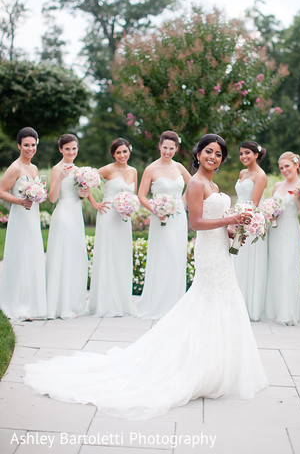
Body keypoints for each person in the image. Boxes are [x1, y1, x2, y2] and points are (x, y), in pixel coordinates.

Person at [24, 134, 267, 420]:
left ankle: (216, 366)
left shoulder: (213, 184)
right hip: (209, 255)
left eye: (218, 153)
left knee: (220, 302)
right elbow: (196, 223)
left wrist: (236, 229)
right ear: (198, 153)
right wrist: (231, 220)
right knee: (208, 300)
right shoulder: (196, 183)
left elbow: (216, 224)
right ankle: (200, 368)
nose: (213, 157)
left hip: (221, 251)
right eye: (208, 151)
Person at [135, 131, 191, 320]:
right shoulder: (151, 169)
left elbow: (194, 186)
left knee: (176, 258)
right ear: (160, 146)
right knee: (163, 257)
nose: (167, 151)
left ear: (176, 148)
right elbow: (141, 195)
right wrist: (155, 209)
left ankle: (175, 303)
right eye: (165, 148)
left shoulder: (180, 168)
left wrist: (182, 201)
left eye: (171, 148)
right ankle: (157, 303)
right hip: (160, 219)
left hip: (179, 218)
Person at [0, 127, 47, 322]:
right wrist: (20, 201)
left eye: (33, 145)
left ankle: (31, 304)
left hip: (32, 217)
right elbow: (2, 191)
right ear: (19, 145)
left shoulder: (34, 168)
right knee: (20, 258)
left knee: (32, 257)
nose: (30, 148)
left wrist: (39, 195)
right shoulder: (15, 167)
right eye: (26, 145)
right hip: (20, 217)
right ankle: (16, 305)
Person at [88, 138, 138, 317]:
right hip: (108, 216)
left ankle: (122, 303)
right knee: (107, 256)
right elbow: (86, 180)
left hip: (124, 219)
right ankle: (106, 303)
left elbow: (134, 195)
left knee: (121, 256)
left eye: (124, 151)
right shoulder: (108, 169)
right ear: (113, 154)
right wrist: (94, 203)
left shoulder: (133, 171)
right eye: (118, 152)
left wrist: (131, 208)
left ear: (129, 151)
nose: (122, 155)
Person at [262, 152, 300, 325]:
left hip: (290, 228)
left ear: (296, 165)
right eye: (281, 167)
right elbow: (270, 206)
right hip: (275, 230)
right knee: (275, 267)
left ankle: (288, 313)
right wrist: (270, 214)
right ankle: (274, 310)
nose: (284, 170)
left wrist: (298, 198)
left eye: (287, 166)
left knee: (287, 267)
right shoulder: (277, 186)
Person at [46, 134, 88, 319]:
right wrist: (58, 178)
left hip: (76, 213)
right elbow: (53, 198)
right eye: (68, 149)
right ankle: (60, 305)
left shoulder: (79, 170)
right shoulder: (56, 169)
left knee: (75, 255)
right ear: (61, 149)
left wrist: (85, 191)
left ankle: (72, 302)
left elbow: (80, 195)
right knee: (62, 256)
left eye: (74, 148)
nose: (71, 152)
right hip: (63, 213)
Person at [233, 140, 268, 321]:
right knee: (236, 260)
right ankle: (234, 303)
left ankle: (247, 306)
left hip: (249, 222)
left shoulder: (260, 176)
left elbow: (253, 204)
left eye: (247, 153)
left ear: (256, 154)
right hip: (237, 218)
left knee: (247, 260)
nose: (244, 156)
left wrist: (241, 221)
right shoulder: (242, 173)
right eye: (241, 153)